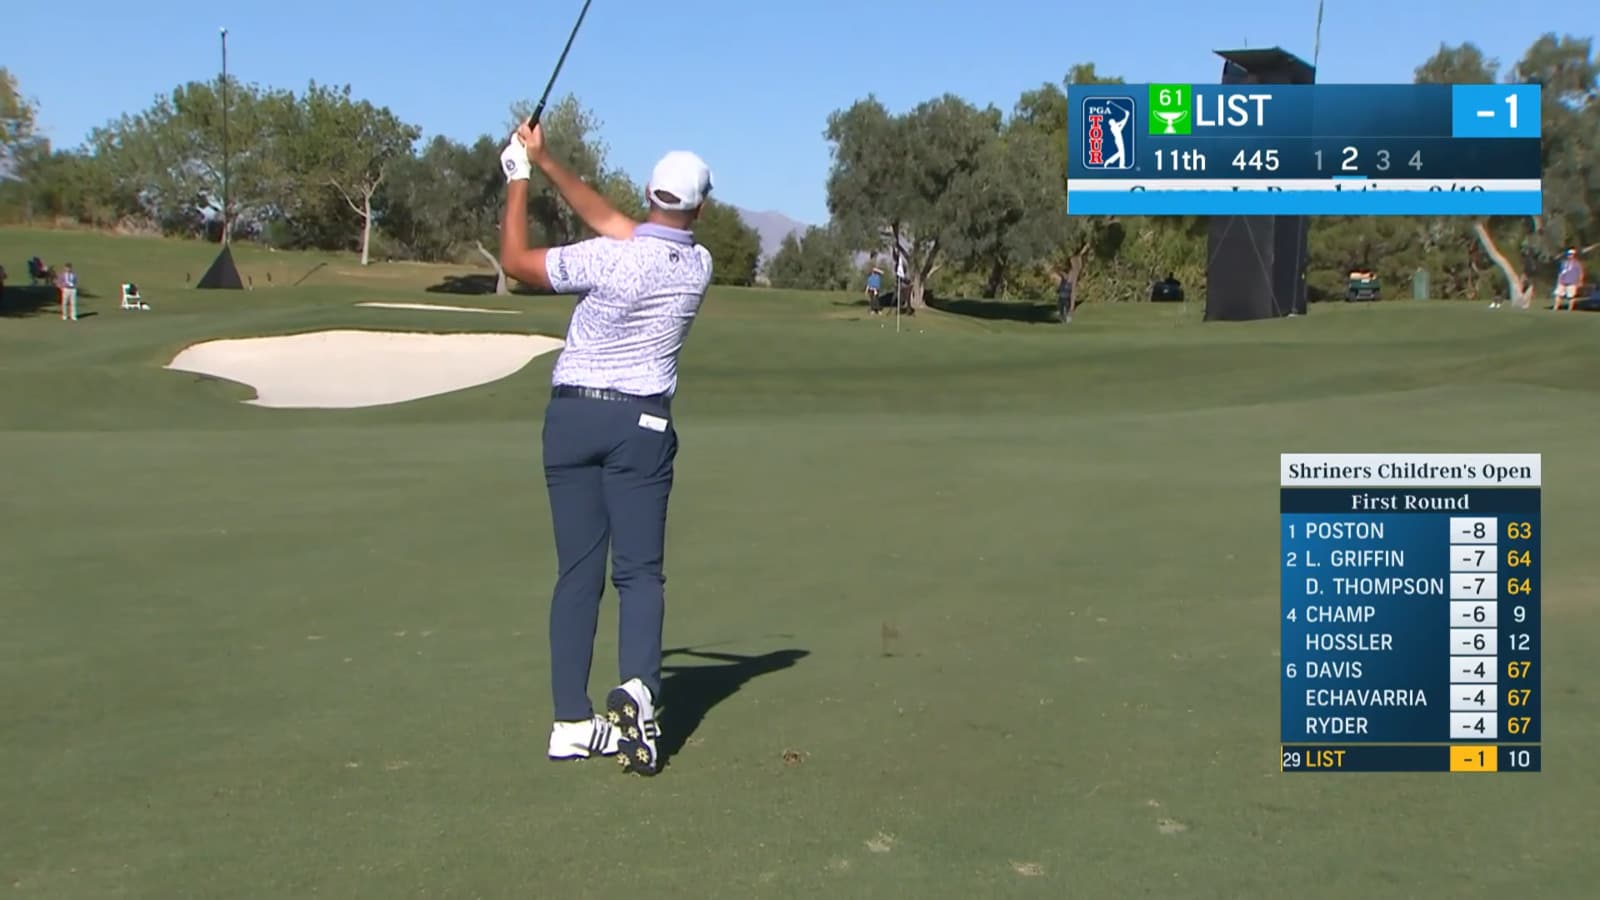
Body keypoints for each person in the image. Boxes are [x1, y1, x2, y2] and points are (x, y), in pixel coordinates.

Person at [497, 118, 714, 777]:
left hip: (569, 421)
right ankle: (640, 691)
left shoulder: (608, 256)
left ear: (650, 191)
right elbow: (620, 223)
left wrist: (518, 180)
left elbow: (515, 262)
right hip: (639, 427)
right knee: (639, 573)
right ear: (701, 205)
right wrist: (546, 159)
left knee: (578, 574)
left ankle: (571, 722)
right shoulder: (696, 264)